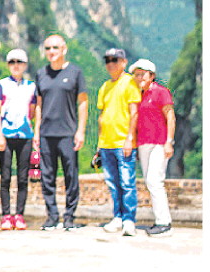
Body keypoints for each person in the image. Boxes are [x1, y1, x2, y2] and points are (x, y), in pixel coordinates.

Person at [33, 34, 88, 232]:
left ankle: (69, 217)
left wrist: (80, 131)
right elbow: (39, 105)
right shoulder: (41, 74)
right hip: (46, 133)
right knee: (47, 176)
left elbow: (83, 103)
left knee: (71, 176)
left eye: (55, 47)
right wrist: (37, 131)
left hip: (68, 133)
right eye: (48, 48)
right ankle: (52, 216)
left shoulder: (75, 72)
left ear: (64, 49)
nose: (51, 52)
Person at [96, 48, 141, 236]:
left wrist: (130, 138)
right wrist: (99, 145)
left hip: (123, 142)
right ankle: (118, 217)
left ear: (123, 62)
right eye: (107, 60)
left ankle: (129, 220)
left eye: (115, 59)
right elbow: (102, 117)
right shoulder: (105, 86)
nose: (111, 63)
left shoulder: (130, 83)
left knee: (127, 182)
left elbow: (134, 113)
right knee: (113, 183)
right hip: (106, 144)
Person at [0, 48, 37, 230]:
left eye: (19, 62)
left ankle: (19, 215)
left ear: (25, 65)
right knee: (5, 176)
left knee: (23, 177)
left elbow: (34, 110)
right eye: (12, 62)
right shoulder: (1, 85)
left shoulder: (31, 86)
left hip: (25, 135)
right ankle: (5, 215)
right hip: (6, 135)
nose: (16, 65)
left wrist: (34, 132)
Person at [130, 57, 176, 236]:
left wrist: (169, 141)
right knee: (150, 182)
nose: (139, 78)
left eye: (142, 74)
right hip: (143, 144)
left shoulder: (161, 92)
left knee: (154, 181)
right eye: (136, 75)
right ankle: (159, 221)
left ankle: (164, 223)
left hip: (159, 143)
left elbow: (170, 117)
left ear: (152, 75)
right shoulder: (138, 95)